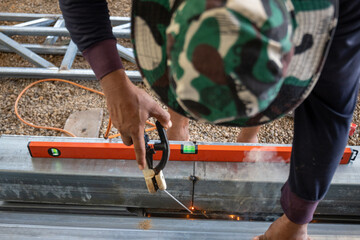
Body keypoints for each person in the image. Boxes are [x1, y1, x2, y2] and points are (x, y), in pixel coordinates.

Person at [59, 1, 360, 239]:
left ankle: (247, 136)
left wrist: (298, 217)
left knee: (248, 71)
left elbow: (331, 111)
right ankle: (178, 124)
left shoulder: (344, 9)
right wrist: (114, 84)